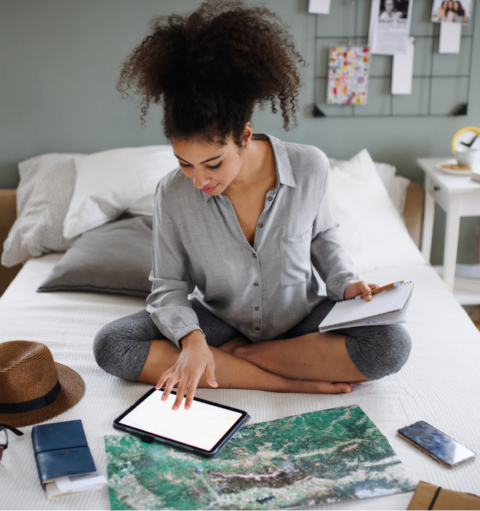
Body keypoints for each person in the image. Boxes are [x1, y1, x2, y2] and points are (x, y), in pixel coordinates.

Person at [95, 0, 411, 411]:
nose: (199, 180)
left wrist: (347, 284)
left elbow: (323, 237)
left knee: (391, 343)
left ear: (244, 136)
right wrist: (192, 340)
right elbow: (169, 287)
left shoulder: (309, 165)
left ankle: (241, 360)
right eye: (184, 163)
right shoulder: (172, 193)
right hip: (220, 322)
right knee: (112, 346)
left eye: (212, 163)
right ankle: (286, 382)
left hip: (301, 321)